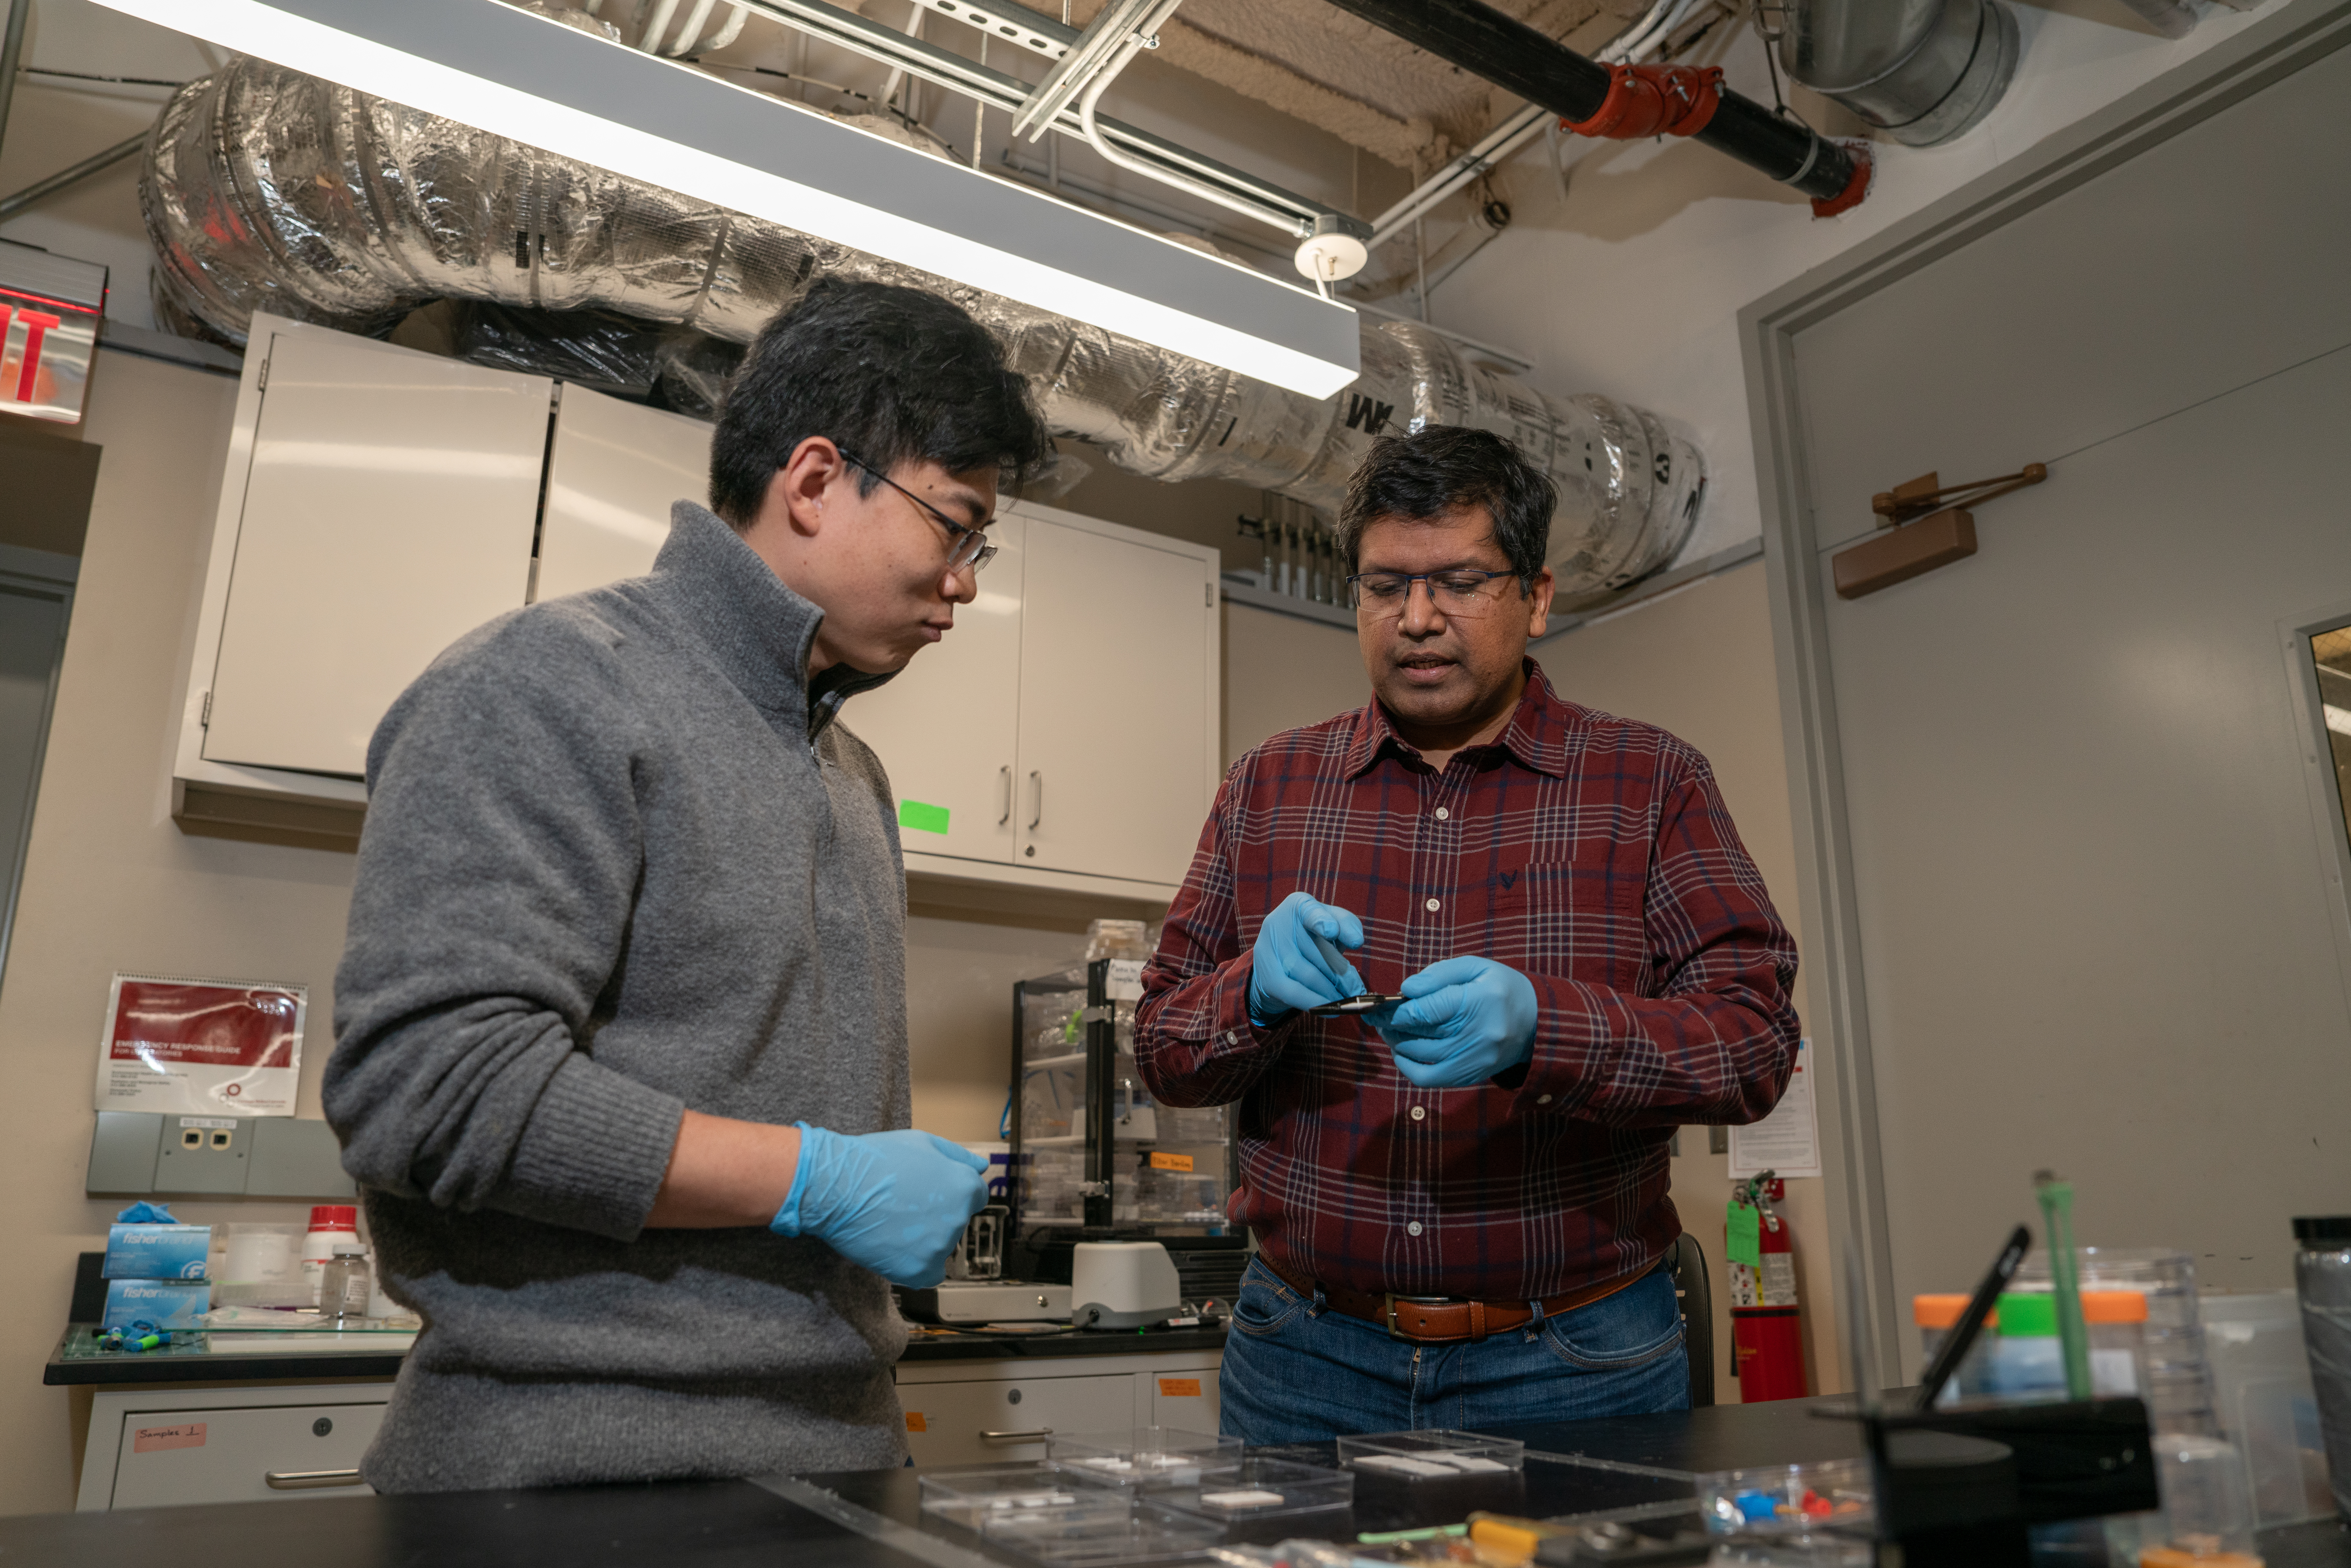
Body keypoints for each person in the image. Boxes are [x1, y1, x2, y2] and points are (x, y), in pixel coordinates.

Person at [324, 278, 1054, 1490]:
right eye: (956, 526)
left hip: (842, 1454)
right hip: (576, 1478)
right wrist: (817, 1178)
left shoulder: (850, 773)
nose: (968, 580)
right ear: (816, 483)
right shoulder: (551, 683)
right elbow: (430, 1090)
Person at [1134, 425, 1801, 1440]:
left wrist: (1548, 1029)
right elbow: (1160, 1048)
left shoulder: (1649, 780)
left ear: (1535, 597)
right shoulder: (1267, 787)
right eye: (1383, 585)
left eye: (1456, 581)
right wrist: (1247, 998)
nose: (1415, 619)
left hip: (1575, 1365)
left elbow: (1753, 1043)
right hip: (1301, 1358)